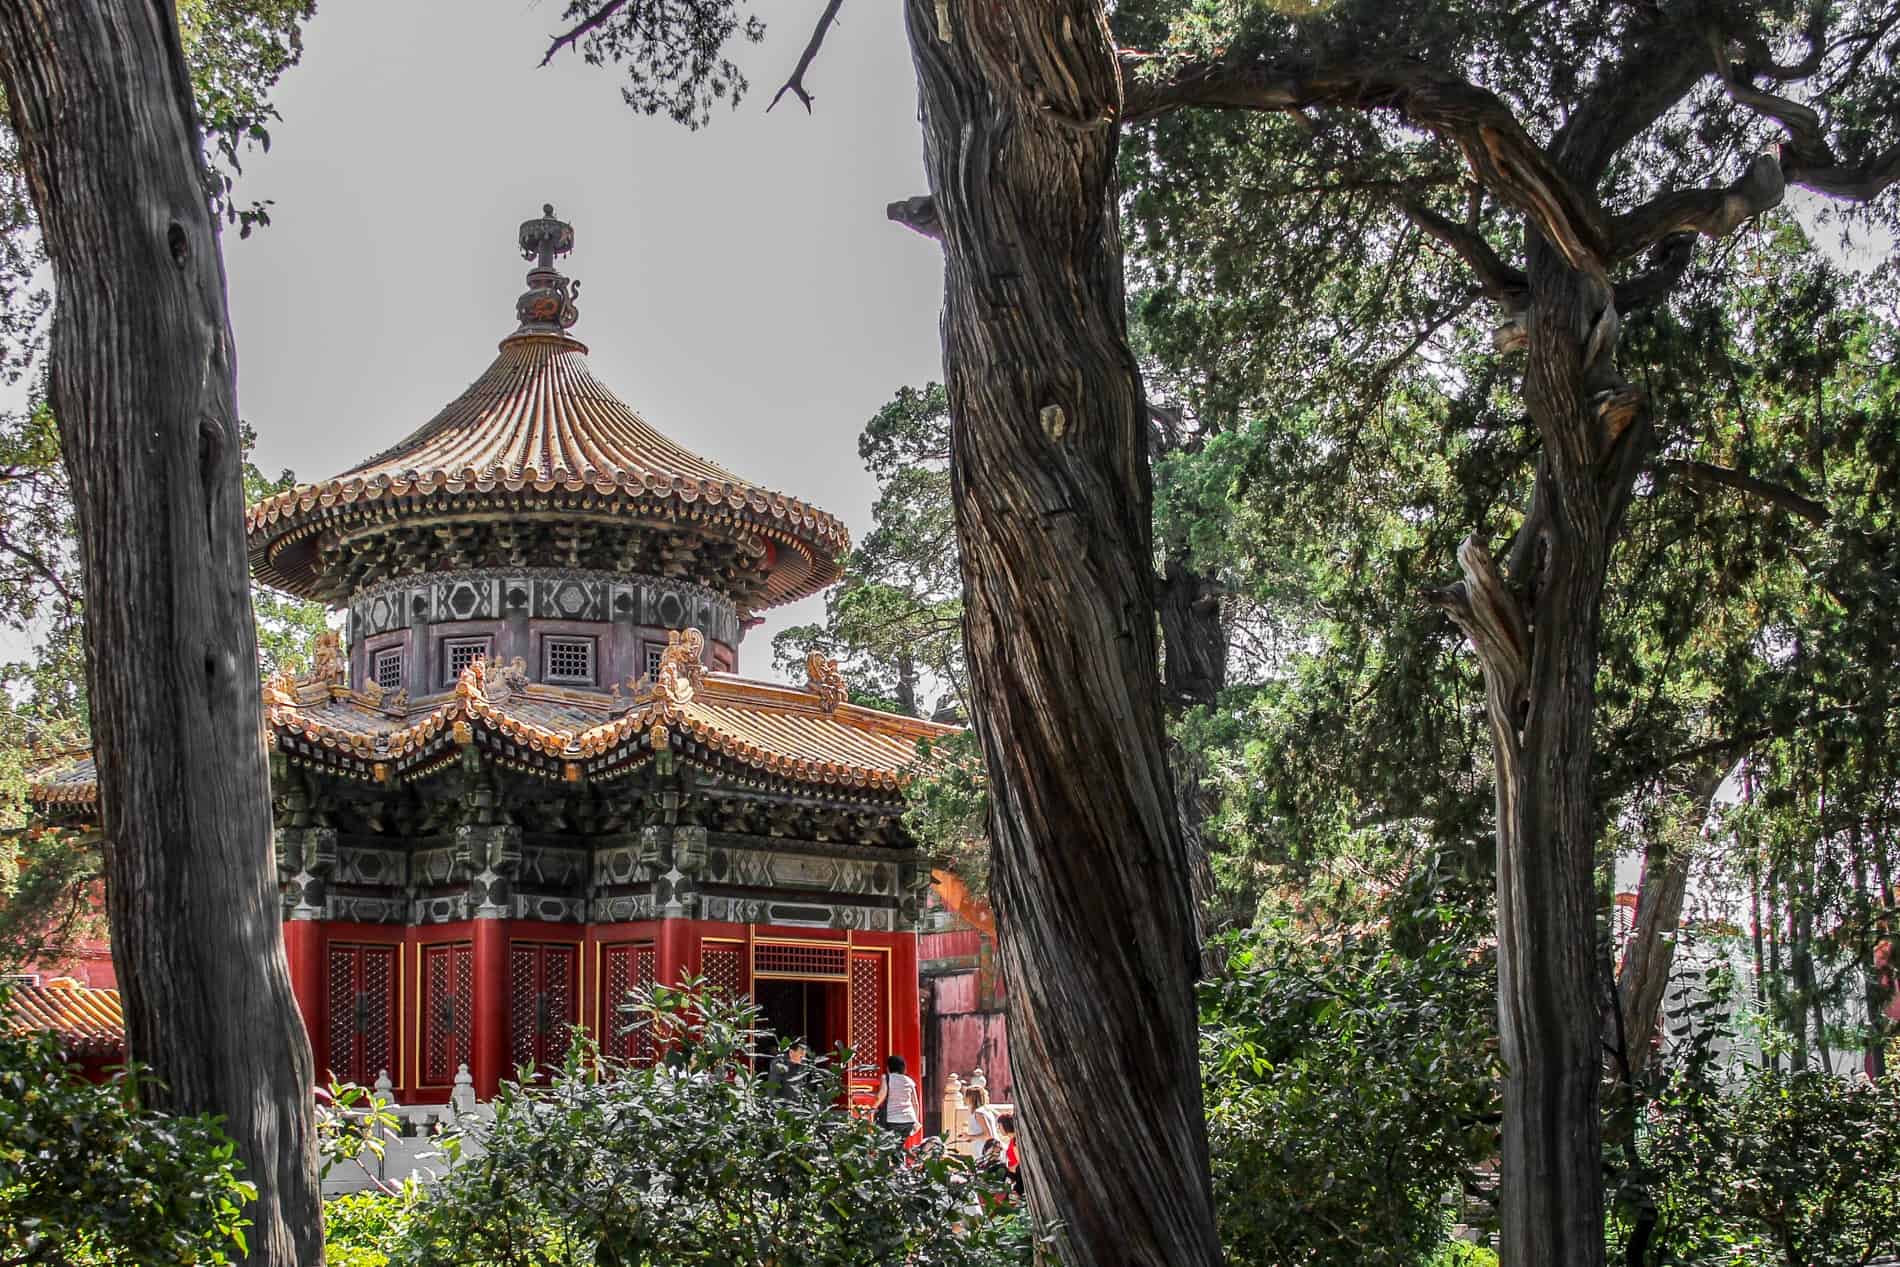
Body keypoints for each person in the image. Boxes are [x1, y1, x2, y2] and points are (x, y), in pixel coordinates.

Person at [871, 1053, 918, 1141]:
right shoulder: (909, 1081)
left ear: (888, 1067)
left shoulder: (886, 1078)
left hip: (893, 1119)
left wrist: (872, 1109)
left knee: (889, 1147)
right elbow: (915, 1103)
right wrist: (916, 1121)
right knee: (899, 1147)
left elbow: (881, 1095)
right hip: (909, 1120)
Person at [995, 1112, 1022, 1195]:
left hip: (1019, 1175)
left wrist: (1009, 1169)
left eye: (999, 1126)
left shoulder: (1015, 1141)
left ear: (1005, 1125)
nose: (999, 1129)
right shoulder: (1012, 1140)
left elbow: (1020, 1163)